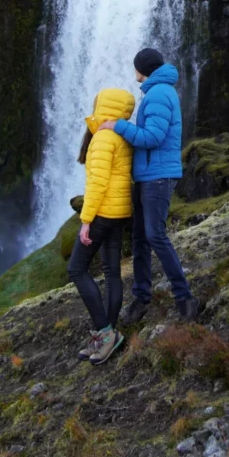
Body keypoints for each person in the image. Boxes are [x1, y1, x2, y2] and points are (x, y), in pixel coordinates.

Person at [99, 48, 199, 325]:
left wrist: (118, 126)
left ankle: (184, 297)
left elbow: (152, 137)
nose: (134, 74)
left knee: (155, 236)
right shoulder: (156, 92)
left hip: (157, 177)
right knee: (141, 238)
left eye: (136, 68)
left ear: (142, 68)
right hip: (147, 176)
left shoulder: (157, 94)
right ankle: (141, 298)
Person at [67, 87, 135, 365]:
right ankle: (106, 332)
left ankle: (105, 332)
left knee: (76, 269)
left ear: (102, 106)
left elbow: (97, 183)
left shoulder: (103, 138)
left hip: (103, 213)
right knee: (111, 271)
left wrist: (86, 221)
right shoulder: (121, 134)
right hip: (120, 211)